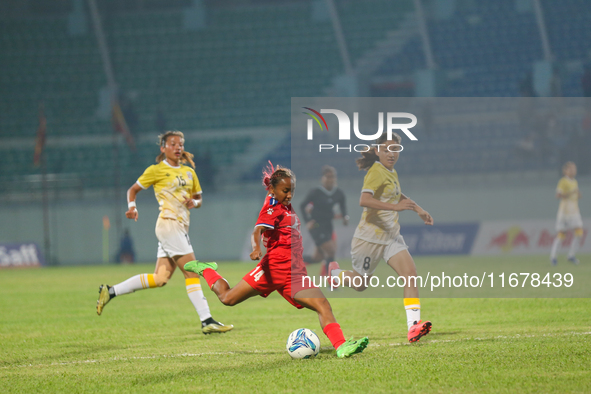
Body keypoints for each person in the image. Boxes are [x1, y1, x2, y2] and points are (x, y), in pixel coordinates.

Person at [183, 163, 368, 357]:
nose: (289, 195)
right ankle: (206, 270)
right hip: (272, 269)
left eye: (292, 191)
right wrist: (256, 248)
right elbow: (258, 229)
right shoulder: (272, 205)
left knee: (322, 304)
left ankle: (341, 346)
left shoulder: (285, 205)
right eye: (285, 191)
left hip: (294, 273)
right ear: (272, 189)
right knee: (227, 298)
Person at [96, 131, 233, 335]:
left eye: (180, 144)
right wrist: (132, 207)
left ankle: (110, 291)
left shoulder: (189, 173)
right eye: (172, 144)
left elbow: (199, 200)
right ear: (163, 148)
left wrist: (193, 202)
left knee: (160, 278)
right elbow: (132, 190)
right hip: (169, 225)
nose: (178, 147)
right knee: (192, 271)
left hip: (179, 227)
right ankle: (207, 320)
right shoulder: (156, 170)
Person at [328, 132, 434, 343]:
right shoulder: (376, 172)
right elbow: (364, 200)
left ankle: (413, 327)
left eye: (395, 149)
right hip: (369, 239)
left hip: (390, 236)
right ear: (377, 151)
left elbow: (397, 194)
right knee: (360, 283)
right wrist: (396, 207)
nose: (391, 153)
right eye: (386, 149)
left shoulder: (391, 172)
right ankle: (336, 274)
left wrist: (418, 209)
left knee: (410, 274)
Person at [300, 165, 348, 276]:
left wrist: (345, 217)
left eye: (332, 177)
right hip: (316, 226)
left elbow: (343, 207)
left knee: (317, 258)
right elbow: (303, 206)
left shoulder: (338, 193)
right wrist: (307, 221)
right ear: (322, 178)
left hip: (328, 226)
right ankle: (332, 283)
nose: (330, 179)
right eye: (327, 177)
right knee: (331, 251)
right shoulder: (316, 192)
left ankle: (289, 260)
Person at [550, 161, 583, 265]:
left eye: (574, 168)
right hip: (564, 212)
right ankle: (553, 257)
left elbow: (576, 195)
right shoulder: (563, 181)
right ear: (565, 170)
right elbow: (558, 195)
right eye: (571, 168)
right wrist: (571, 193)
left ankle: (571, 255)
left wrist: (578, 194)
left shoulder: (575, 182)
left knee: (579, 233)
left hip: (574, 211)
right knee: (561, 235)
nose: (573, 170)